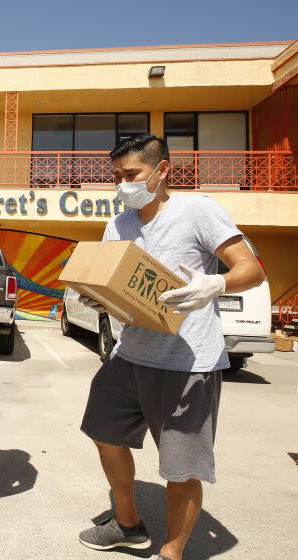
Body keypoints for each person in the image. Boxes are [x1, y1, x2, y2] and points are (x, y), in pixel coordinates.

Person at [77, 135, 265, 560]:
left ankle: (172, 552)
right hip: (129, 355)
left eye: (132, 175)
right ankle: (127, 524)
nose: (123, 184)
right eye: (116, 176)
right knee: (103, 432)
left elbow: (251, 270)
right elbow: (116, 281)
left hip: (187, 362)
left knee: (182, 467)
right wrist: (98, 296)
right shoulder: (119, 223)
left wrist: (213, 283)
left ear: (163, 171)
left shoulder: (197, 210)